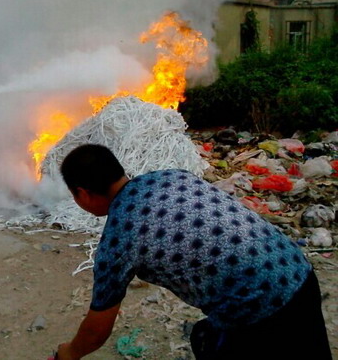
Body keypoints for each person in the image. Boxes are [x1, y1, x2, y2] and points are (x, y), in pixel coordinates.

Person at [55, 144, 331, 360]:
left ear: (83, 193)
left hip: (257, 310)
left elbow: (96, 330)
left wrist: (68, 353)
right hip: (297, 272)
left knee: (206, 339)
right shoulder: (172, 176)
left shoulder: (119, 237)